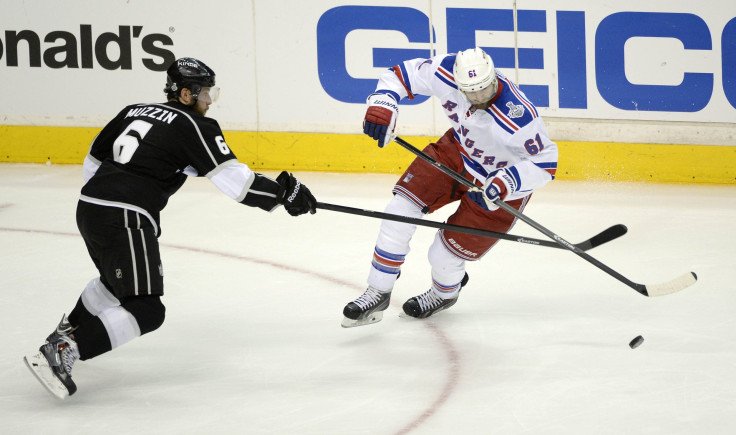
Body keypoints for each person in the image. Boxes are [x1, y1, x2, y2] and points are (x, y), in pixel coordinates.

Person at [24, 57, 318, 399]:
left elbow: (94, 158)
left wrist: (107, 195)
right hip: (126, 216)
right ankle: (65, 348)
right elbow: (236, 183)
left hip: (90, 208)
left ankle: (68, 330)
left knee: (112, 283)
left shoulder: (134, 110)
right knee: (146, 309)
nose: (210, 101)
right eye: (206, 93)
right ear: (185, 94)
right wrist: (283, 196)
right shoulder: (193, 125)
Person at [342, 48, 558, 327]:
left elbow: (546, 162)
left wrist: (506, 183)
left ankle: (444, 293)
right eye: (472, 93)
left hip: (499, 183)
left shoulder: (517, 114)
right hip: (457, 152)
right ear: (458, 84)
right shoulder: (444, 71)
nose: (480, 97)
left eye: (485, 89)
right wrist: (385, 102)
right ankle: (377, 290)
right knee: (398, 211)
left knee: (443, 254)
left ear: (493, 76)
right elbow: (398, 75)